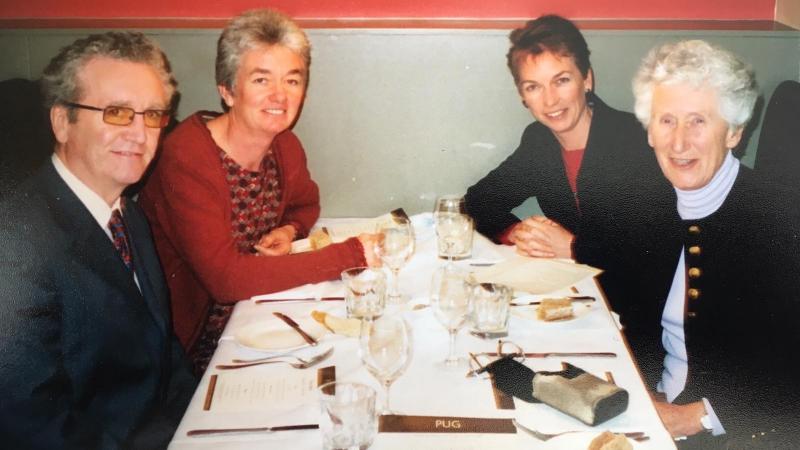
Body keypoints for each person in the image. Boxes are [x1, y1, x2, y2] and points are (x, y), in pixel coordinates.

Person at [138, 9, 379, 373]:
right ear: (227, 90)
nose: (280, 96)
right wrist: (347, 255)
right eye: (261, 80)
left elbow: (304, 205)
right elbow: (226, 280)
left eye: (292, 81)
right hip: (188, 348)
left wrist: (287, 231)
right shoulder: (187, 157)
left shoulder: (283, 145)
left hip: (259, 317)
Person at [0, 32, 196, 449]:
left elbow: (162, 349)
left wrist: (209, 417)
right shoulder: (15, 245)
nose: (140, 135)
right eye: (118, 113)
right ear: (61, 121)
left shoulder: (129, 215)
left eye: (153, 115)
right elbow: (34, 428)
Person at [626, 39, 800, 448]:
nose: (679, 142)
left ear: (734, 132)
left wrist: (698, 416)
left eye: (699, 121)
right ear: (649, 132)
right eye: (666, 120)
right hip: (652, 413)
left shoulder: (781, 220)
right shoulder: (649, 204)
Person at [463, 15, 672, 303]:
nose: (550, 101)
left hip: (640, 307)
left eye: (561, 81)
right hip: (575, 295)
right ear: (522, 95)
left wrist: (574, 247)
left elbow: (655, 249)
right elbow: (478, 200)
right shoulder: (539, 141)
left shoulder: (636, 139)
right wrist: (519, 232)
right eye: (533, 87)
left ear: (586, 79)